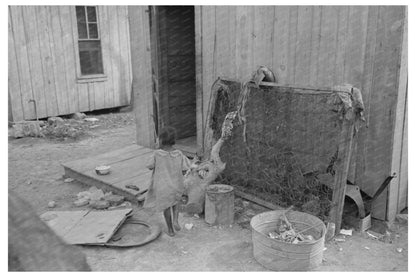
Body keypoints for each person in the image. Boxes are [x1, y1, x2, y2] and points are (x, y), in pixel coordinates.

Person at [143, 126, 192, 236]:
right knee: (175, 202)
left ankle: (170, 229)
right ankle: (176, 219)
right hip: (176, 185)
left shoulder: (157, 154)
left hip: (163, 187)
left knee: (166, 208)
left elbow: (149, 166)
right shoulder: (179, 154)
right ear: (173, 140)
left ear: (160, 140)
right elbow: (185, 168)